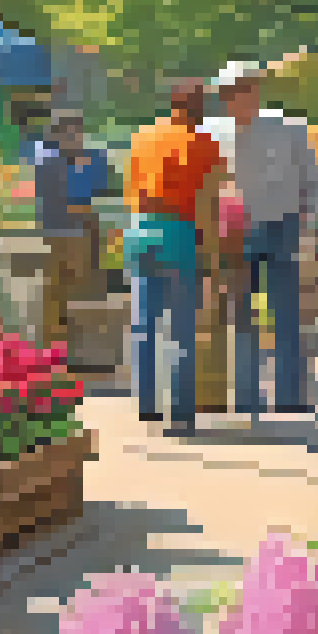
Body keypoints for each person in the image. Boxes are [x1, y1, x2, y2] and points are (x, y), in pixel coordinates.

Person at [202, 62, 318, 415]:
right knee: (240, 314)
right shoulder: (209, 131)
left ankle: (290, 398)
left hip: (281, 229)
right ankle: (246, 395)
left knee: (285, 313)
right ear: (223, 96)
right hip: (233, 235)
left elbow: (314, 182)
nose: (241, 97)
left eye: (248, 88)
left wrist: (306, 225)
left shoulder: (288, 128)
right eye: (233, 91)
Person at [124, 80, 229, 437]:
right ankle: (182, 413)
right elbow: (207, 208)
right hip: (179, 236)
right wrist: (213, 260)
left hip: (140, 233)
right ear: (196, 105)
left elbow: (133, 193)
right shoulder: (205, 145)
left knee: (144, 325)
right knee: (182, 329)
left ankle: (146, 406)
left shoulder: (141, 138)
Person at [28, 108, 112, 356]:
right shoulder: (50, 162)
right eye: (67, 131)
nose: (73, 135)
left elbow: (102, 190)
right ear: (57, 134)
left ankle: (71, 347)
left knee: (75, 289)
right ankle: (55, 348)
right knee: (59, 290)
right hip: (63, 232)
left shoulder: (86, 158)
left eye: (76, 130)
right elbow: (65, 199)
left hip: (81, 233)